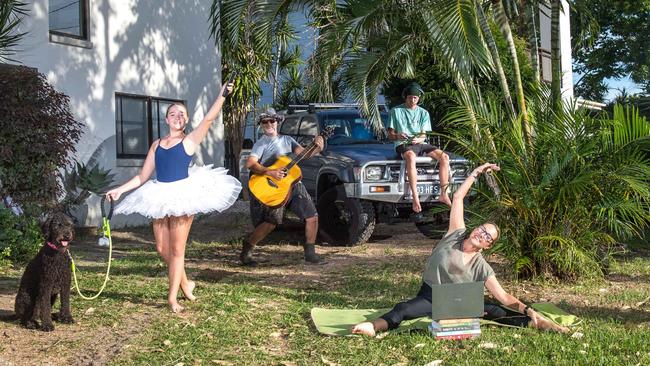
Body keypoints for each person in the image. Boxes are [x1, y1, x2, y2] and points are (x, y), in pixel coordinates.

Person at [351, 162, 569, 336]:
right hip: (432, 296)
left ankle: (540, 324)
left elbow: (503, 295)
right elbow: (458, 197)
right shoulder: (455, 234)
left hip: (461, 301)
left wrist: (529, 309)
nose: (481, 234)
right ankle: (373, 326)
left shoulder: (481, 265)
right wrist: (475, 173)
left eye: (487, 236)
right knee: (403, 309)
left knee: (496, 310)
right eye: (482, 229)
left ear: (487, 245)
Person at [106, 81, 241, 313]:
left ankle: (172, 298)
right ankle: (186, 282)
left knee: (178, 250)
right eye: (172, 113)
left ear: (186, 120)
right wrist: (120, 190)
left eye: (181, 114)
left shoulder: (189, 141)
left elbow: (208, 119)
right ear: (166, 120)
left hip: (182, 195)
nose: (177, 116)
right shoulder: (156, 145)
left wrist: (222, 95)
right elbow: (143, 176)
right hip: (159, 194)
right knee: (161, 248)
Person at [241, 108, 324, 265]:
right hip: (274, 187)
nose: (269, 124)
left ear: (277, 122)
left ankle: (310, 254)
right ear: (261, 124)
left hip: (292, 183)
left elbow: (304, 154)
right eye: (265, 122)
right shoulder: (261, 143)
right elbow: (251, 163)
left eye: (272, 121)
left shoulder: (288, 140)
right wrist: (270, 172)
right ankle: (247, 247)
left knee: (312, 216)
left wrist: (318, 146)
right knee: (271, 223)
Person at [386, 82, 451, 213]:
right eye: (410, 97)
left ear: (419, 98)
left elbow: (424, 134)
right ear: (406, 97)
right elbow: (390, 135)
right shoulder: (396, 111)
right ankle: (415, 198)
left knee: (444, 157)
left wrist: (419, 139)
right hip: (403, 144)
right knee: (411, 157)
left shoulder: (424, 113)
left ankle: (444, 193)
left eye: (415, 97)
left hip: (420, 143)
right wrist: (398, 136)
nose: (412, 100)